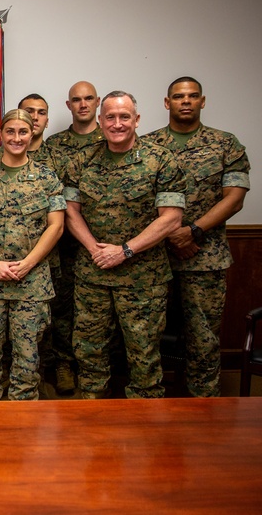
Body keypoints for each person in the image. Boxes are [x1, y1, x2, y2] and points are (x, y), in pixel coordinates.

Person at [64, 91, 185, 399]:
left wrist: (125, 250)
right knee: (89, 352)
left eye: (124, 117)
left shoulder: (161, 160)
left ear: (137, 120)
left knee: (144, 354)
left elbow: (171, 218)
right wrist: (94, 248)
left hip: (144, 278)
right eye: (111, 117)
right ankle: (89, 415)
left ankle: (145, 423)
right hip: (94, 273)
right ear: (100, 120)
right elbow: (70, 211)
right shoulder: (83, 160)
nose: (117, 124)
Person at [144, 77, 249, 397]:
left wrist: (193, 231)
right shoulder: (147, 145)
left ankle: (204, 403)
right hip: (155, 257)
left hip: (205, 257)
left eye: (192, 96)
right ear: (167, 103)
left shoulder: (225, 144)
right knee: (148, 336)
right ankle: (152, 400)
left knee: (202, 337)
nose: (185, 101)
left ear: (203, 101)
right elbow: (136, 198)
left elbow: (235, 197)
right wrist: (168, 235)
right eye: (178, 96)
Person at [0, 109, 65, 400]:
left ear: (31, 133)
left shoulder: (46, 178)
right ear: (1, 133)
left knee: (28, 356)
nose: (16, 138)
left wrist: (29, 263)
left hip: (31, 284)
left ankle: (23, 417)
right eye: (10, 132)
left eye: (23, 132)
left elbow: (56, 226)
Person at [45, 81, 106, 395]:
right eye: (76, 100)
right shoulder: (54, 145)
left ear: (98, 102)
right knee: (63, 310)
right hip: (64, 243)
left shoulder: (110, 136)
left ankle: (98, 376)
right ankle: (64, 365)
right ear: (68, 105)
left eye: (88, 99)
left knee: (100, 316)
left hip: (106, 244)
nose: (83, 105)